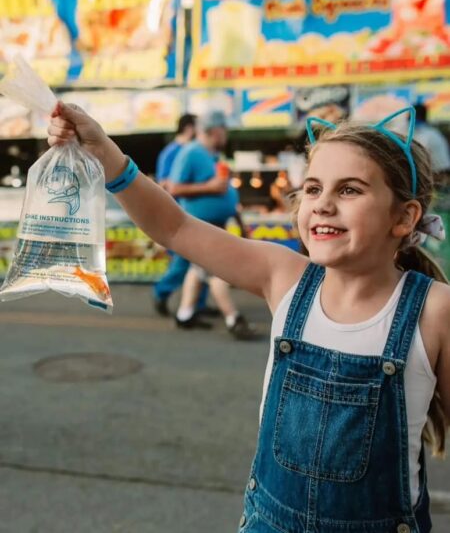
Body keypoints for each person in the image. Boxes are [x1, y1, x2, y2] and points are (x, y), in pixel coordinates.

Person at [48, 102, 449, 532]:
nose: (323, 205)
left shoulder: (434, 310)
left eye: (349, 190)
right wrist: (104, 151)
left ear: (404, 217)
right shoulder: (285, 277)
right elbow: (174, 227)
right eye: (312, 189)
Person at [167, 111, 255, 339]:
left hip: (216, 225)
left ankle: (185, 314)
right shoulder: (190, 153)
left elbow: (225, 191)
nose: (226, 135)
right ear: (214, 131)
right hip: (199, 226)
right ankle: (233, 318)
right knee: (217, 271)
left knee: (198, 271)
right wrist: (211, 187)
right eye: (224, 130)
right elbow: (174, 188)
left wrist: (238, 220)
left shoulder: (214, 156)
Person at [152, 112, 210, 317]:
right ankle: (161, 292)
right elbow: (164, 185)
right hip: (177, 217)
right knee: (183, 260)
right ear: (189, 128)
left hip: (194, 215)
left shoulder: (196, 150)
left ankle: (197, 304)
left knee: (203, 261)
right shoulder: (172, 152)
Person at [413, 103, 450, 181]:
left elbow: (419, 157)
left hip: (437, 175)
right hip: (435, 173)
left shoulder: (426, 134)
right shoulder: (428, 132)